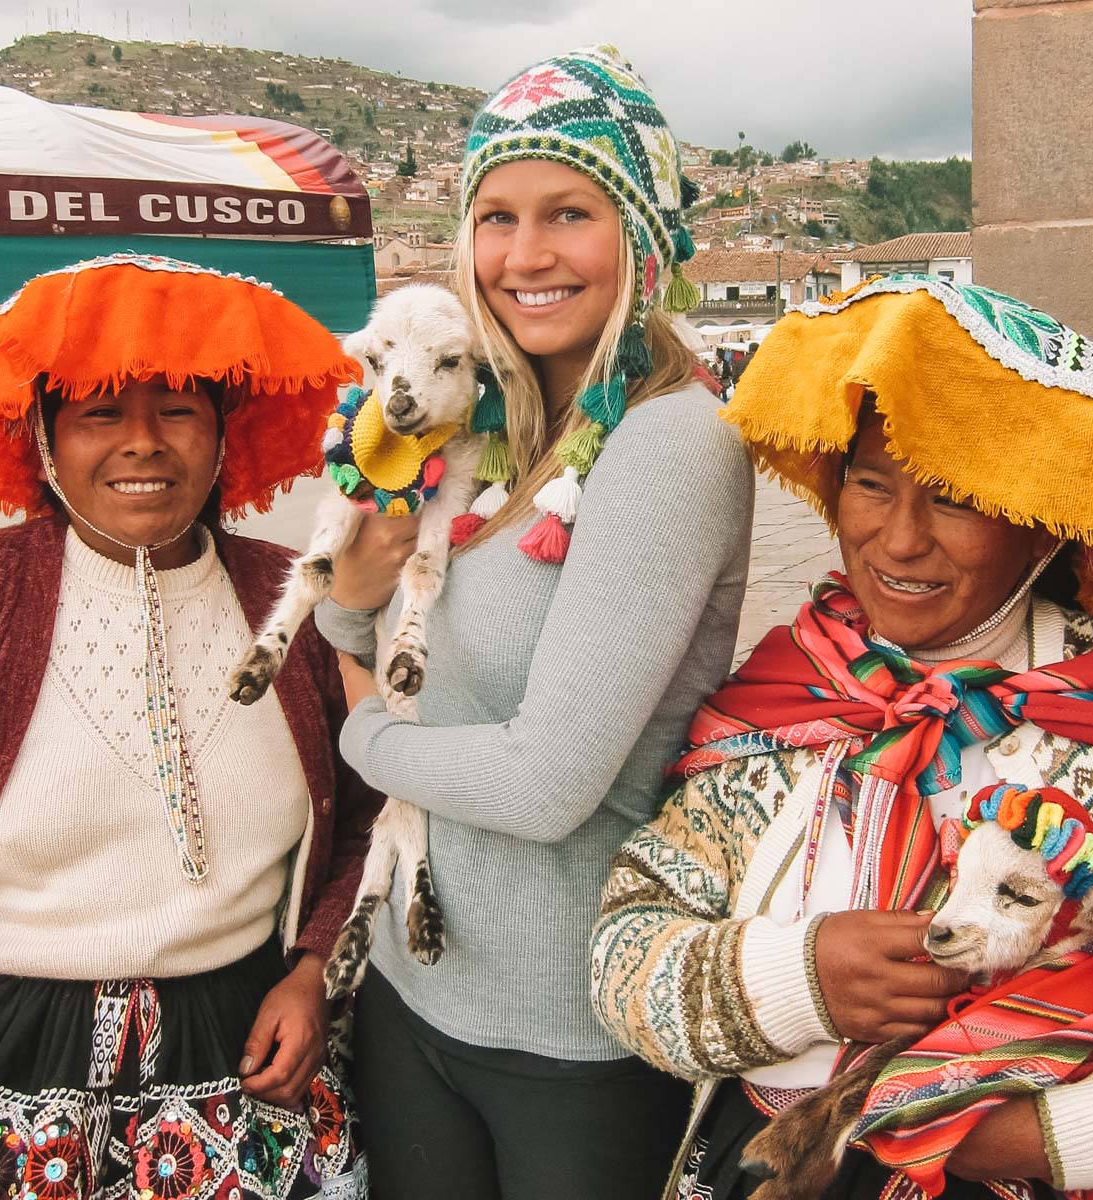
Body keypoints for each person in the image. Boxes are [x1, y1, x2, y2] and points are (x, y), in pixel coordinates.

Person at [592, 274, 1093, 1200]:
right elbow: (628, 946)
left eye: (953, 500)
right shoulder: (788, 704)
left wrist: (1038, 1137)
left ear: (1038, 532)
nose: (897, 541)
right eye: (871, 484)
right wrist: (795, 979)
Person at [0, 253, 382, 1200]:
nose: (144, 444)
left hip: (246, 1056)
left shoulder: (292, 598)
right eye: (99, 413)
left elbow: (372, 814)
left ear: (221, 436)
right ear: (45, 441)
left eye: (177, 409)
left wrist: (313, 968)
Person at [315, 45, 754, 1200]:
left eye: (570, 212)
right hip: (416, 995)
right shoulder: (488, 431)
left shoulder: (670, 444)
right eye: (495, 217)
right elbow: (367, 647)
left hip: (572, 1033)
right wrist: (355, 593)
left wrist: (356, 740)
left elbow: (547, 783)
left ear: (645, 238)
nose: (524, 256)